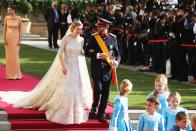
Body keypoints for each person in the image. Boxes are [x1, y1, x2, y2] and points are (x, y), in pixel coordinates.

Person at [0, 21, 93, 125]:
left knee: (75, 88)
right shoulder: (66, 39)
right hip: (66, 66)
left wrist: (87, 51)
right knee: (67, 88)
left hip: (76, 67)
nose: (80, 31)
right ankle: (64, 110)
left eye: (81, 29)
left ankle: (74, 112)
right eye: (78, 29)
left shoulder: (81, 40)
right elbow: (60, 54)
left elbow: (81, 53)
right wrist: (63, 66)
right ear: (73, 29)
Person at [85, 18, 121, 122]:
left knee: (105, 92)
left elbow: (118, 54)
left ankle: (101, 113)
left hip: (107, 70)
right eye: (98, 26)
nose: (98, 28)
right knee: (98, 89)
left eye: (101, 26)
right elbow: (87, 52)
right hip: (96, 68)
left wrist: (116, 62)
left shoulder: (113, 38)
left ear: (107, 27)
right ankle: (94, 105)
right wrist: (98, 55)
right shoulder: (94, 38)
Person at [3, 5, 22, 80]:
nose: (8, 12)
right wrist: (4, 39)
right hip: (8, 38)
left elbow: (20, 31)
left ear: (14, 10)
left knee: (15, 56)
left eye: (10, 10)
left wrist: (20, 40)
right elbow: (4, 30)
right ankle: (9, 75)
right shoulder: (6, 18)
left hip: (16, 38)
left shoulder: (19, 18)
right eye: (8, 10)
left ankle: (17, 74)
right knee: (9, 57)